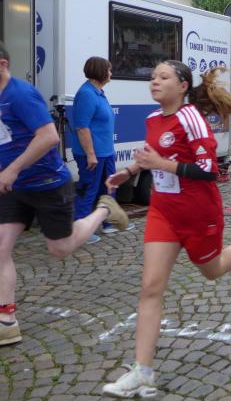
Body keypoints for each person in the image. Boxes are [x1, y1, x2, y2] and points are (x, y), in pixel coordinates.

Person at [102, 62, 231, 397]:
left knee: (211, 269)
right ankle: (142, 372)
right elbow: (152, 155)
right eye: (153, 77)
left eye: (163, 77)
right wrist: (130, 171)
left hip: (198, 212)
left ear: (182, 86)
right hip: (163, 212)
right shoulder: (153, 119)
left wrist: (160, 164)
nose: (154, 81)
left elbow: (208, 170)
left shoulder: (191, 118)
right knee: (150, 287)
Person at [0, 46, 129, 347]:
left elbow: (49, 137)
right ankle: (7, 320)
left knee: (61, 247)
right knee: (1, 248)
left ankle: (105, 210)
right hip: (13, 187)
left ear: (2, 64)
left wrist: (13, 169)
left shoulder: (20, 94)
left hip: (46, 183)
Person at [71, 56, 132, 244]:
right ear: (100, 71)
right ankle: (81, 230)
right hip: (92, 155)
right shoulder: (86, 94)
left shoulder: (98, 92)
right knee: (89, 190)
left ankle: (109, 222)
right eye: (109, 69)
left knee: (109, 187)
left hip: (105, 152)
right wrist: (90, 154)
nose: (111, 73)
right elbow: (82, 127)